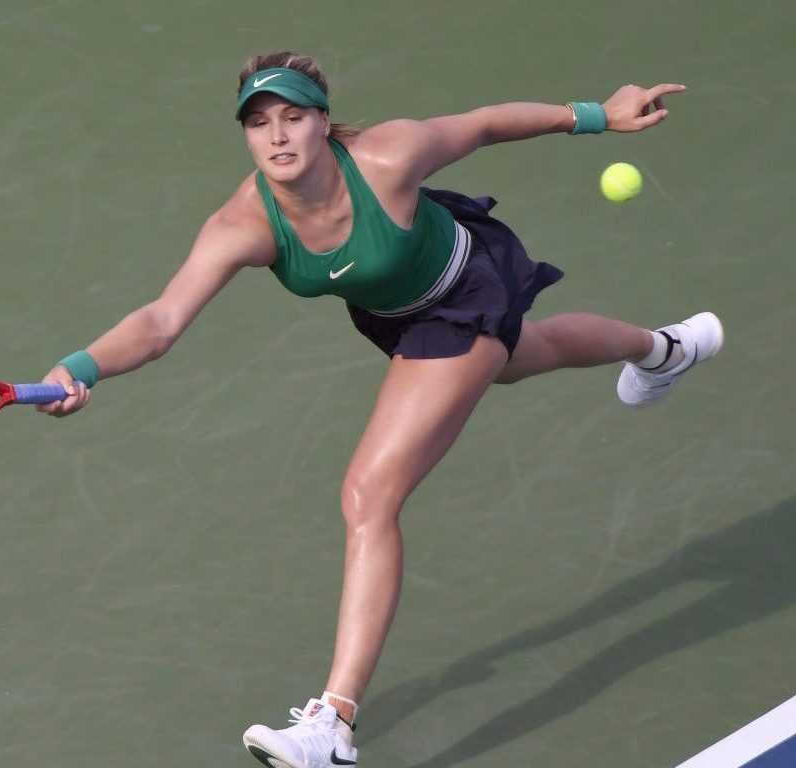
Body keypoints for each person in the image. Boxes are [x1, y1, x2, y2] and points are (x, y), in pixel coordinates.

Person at [37, 51, 723, 768]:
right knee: (528, 354)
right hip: (395, 312)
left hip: (462, 291)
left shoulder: (387, 158)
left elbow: (484, 125)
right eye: (259, 123)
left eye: (293, 117)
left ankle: (331, 724)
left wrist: (598, 117)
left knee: (369, 496)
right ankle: (665, 349)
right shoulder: (242, 223)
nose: (277, 137)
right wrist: (80, 368)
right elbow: (161, 321)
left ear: (323, 123)